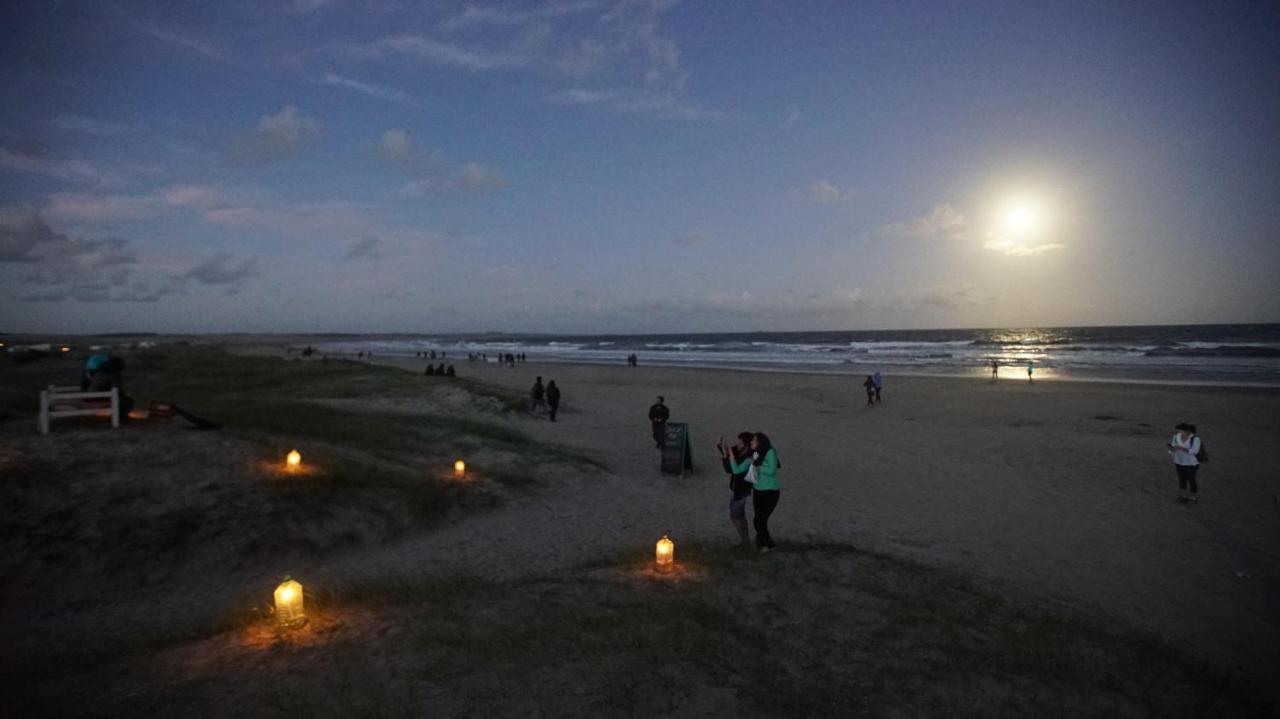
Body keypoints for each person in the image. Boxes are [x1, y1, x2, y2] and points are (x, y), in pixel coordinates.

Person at [729, 432, 781, 554]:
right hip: (758, 491)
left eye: (753, 441)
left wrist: (757, 465)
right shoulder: (752, 456)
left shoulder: (770, 452)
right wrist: (731, 458)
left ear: (759, 442)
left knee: (760, 520)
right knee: (759, 520)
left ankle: (767, 544)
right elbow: (736, 470)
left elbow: (772, 471)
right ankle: (766, 544)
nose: (751, 443)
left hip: (771, 492)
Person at [718, 432, 755, 548]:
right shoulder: (737, 451)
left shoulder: (749, 458)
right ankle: (745, 541)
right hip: (736, 489)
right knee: (739, 516)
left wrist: (730, 456)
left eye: (740, 442)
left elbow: (736, 470)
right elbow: (729, 469)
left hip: (741, 491)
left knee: (735, 516)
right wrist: (724, 453)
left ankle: (745, 542)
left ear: (746, 445)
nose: (737, 444)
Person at [1169, 422, 1202, 503]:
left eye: (1182, 430)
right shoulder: (1176, 436)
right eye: (1180, 430)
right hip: (1179, 461)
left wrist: (1182, 448)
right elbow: (1172, 447)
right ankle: (1183, 496)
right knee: (1182, 479)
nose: (1180, 432)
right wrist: (1171, 450)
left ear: (1188, 431)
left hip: (1191, 463)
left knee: (1191, 479)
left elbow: (1195, 451)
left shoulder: (1195, 439)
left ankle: (1193, 497)